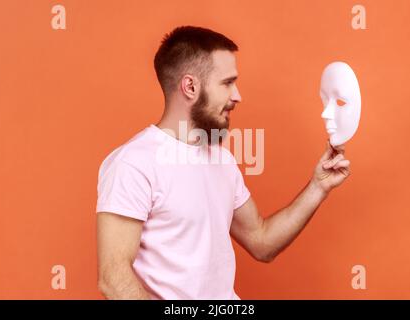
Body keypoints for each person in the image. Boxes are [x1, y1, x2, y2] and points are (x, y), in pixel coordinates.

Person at [96, 26, 350, 300]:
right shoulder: (134, 163)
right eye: (227, 83)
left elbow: (262, 241)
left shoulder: (222, 159)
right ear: (190, 87)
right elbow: (114, 278)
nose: (237, 95)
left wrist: (318, 187)